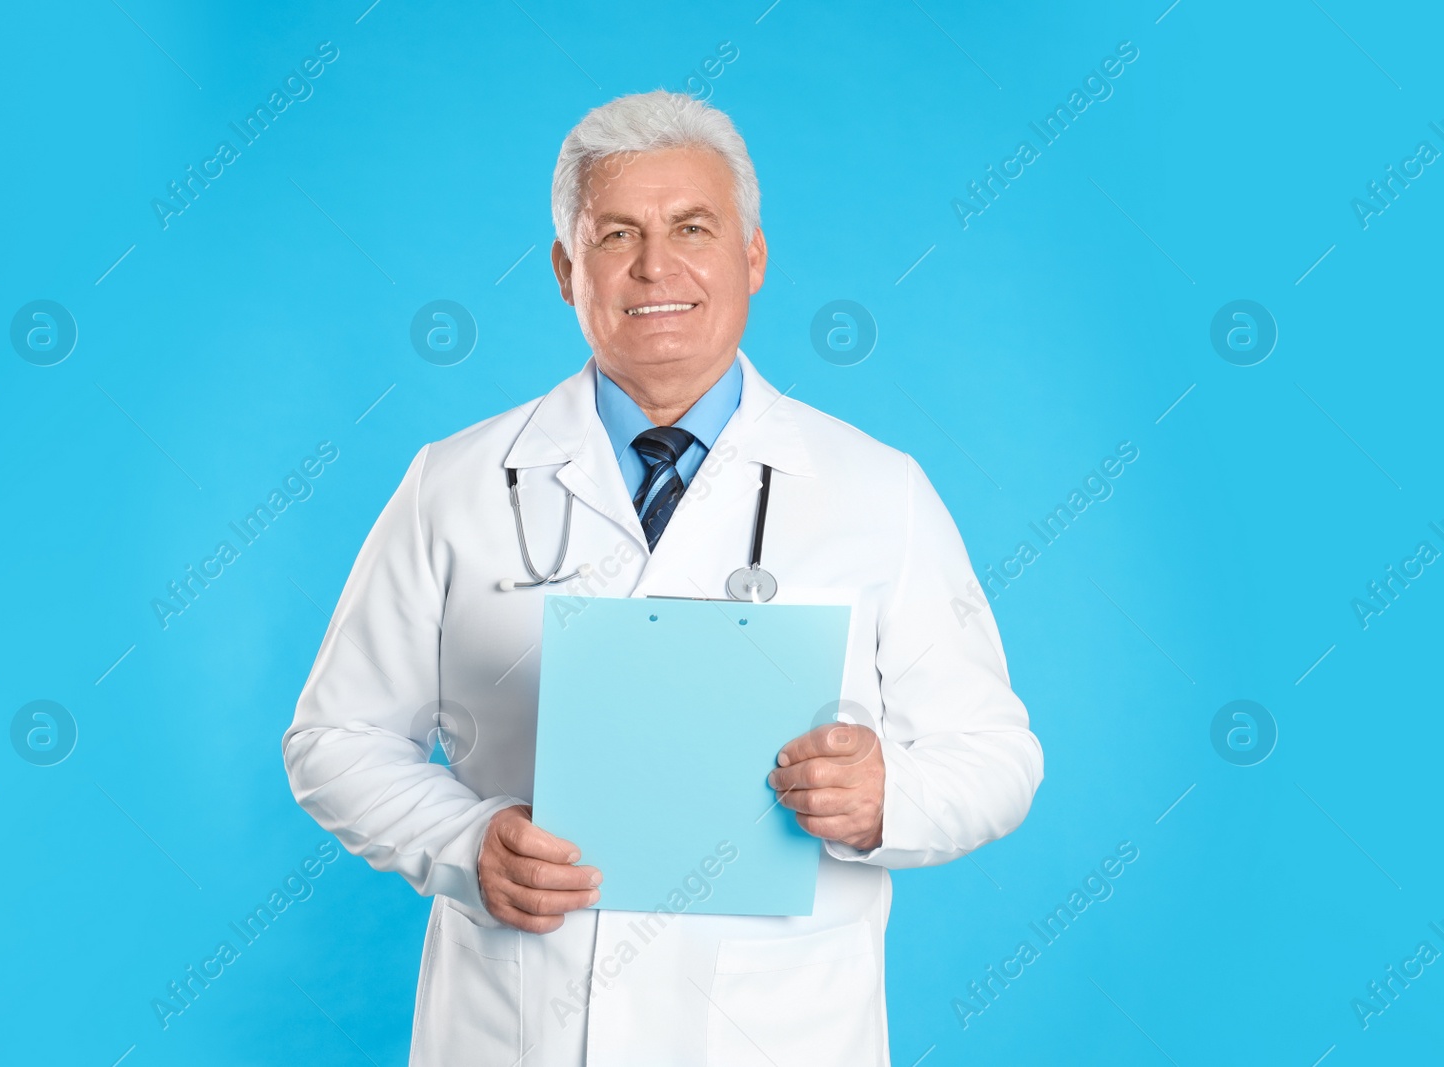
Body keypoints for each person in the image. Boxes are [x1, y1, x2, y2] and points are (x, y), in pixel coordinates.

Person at [283, 89, 1043, 1066]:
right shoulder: (455, 481)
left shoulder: (876, 488)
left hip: (777, 1032)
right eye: (615, 234)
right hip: (517, 1027)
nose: (656, 267)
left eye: (692, 227)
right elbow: (333, 737)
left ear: (753, 256)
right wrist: (465, 842)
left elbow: (997, 755)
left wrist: (887, 792)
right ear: (565, 269)